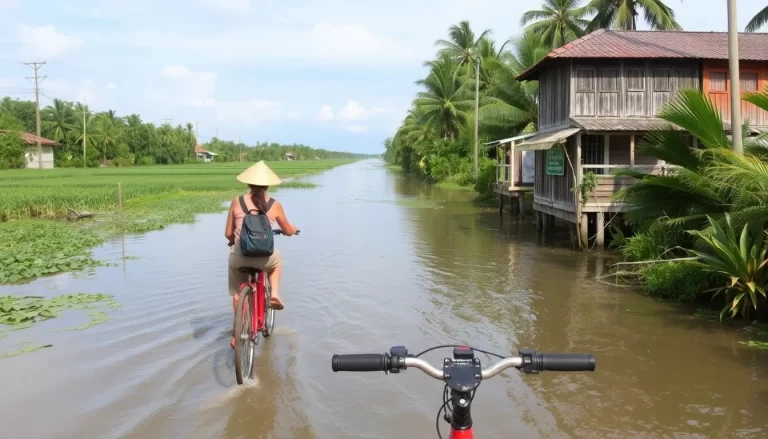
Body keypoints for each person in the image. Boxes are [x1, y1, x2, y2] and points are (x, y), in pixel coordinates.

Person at [225, 161, 298, 348]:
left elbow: (228, 234)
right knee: (277, 261)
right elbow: (288, 230)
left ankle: (237, 332)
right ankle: (274, 294)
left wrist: (235, 240)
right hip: (265, 257)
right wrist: (292, 230)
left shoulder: (237, 201)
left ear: (248, 184)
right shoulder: (274, 204)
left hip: (240, 256)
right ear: (267, 185)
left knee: (236, 293)